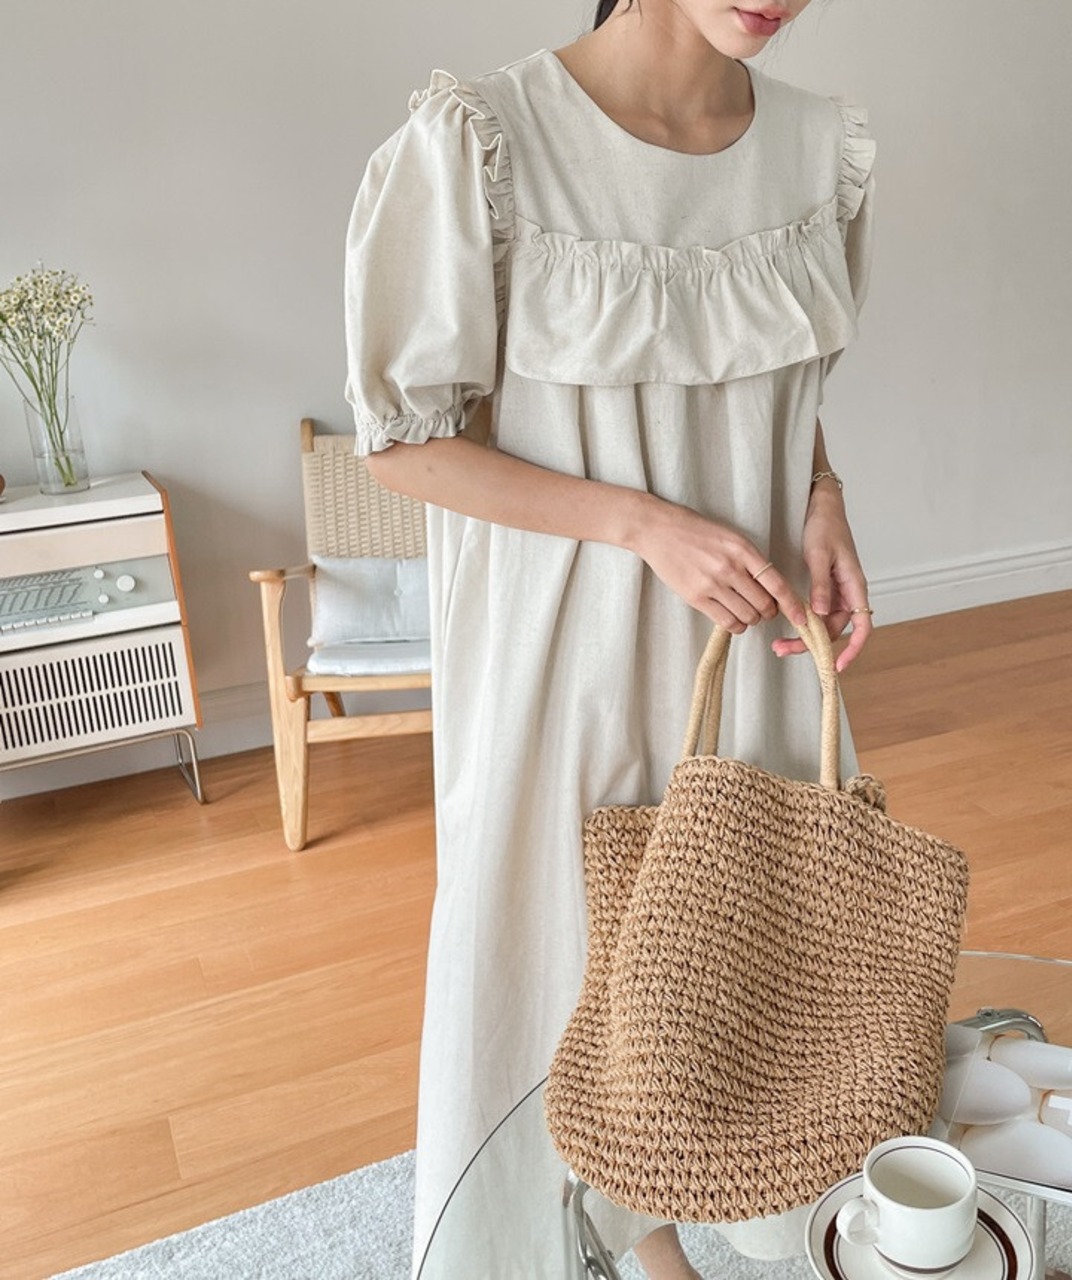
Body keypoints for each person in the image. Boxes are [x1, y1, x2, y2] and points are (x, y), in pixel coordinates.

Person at [344, 1, 876, 1275]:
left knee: (730, 933)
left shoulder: (820, 150)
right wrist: (641, 523)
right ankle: (594, 1230)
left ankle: (684, 1205)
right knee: (557, 948)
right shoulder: (484, 139)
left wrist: (820, 492)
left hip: (741, 624)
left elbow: (772, 377)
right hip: (561, 634)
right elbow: (405, 443)